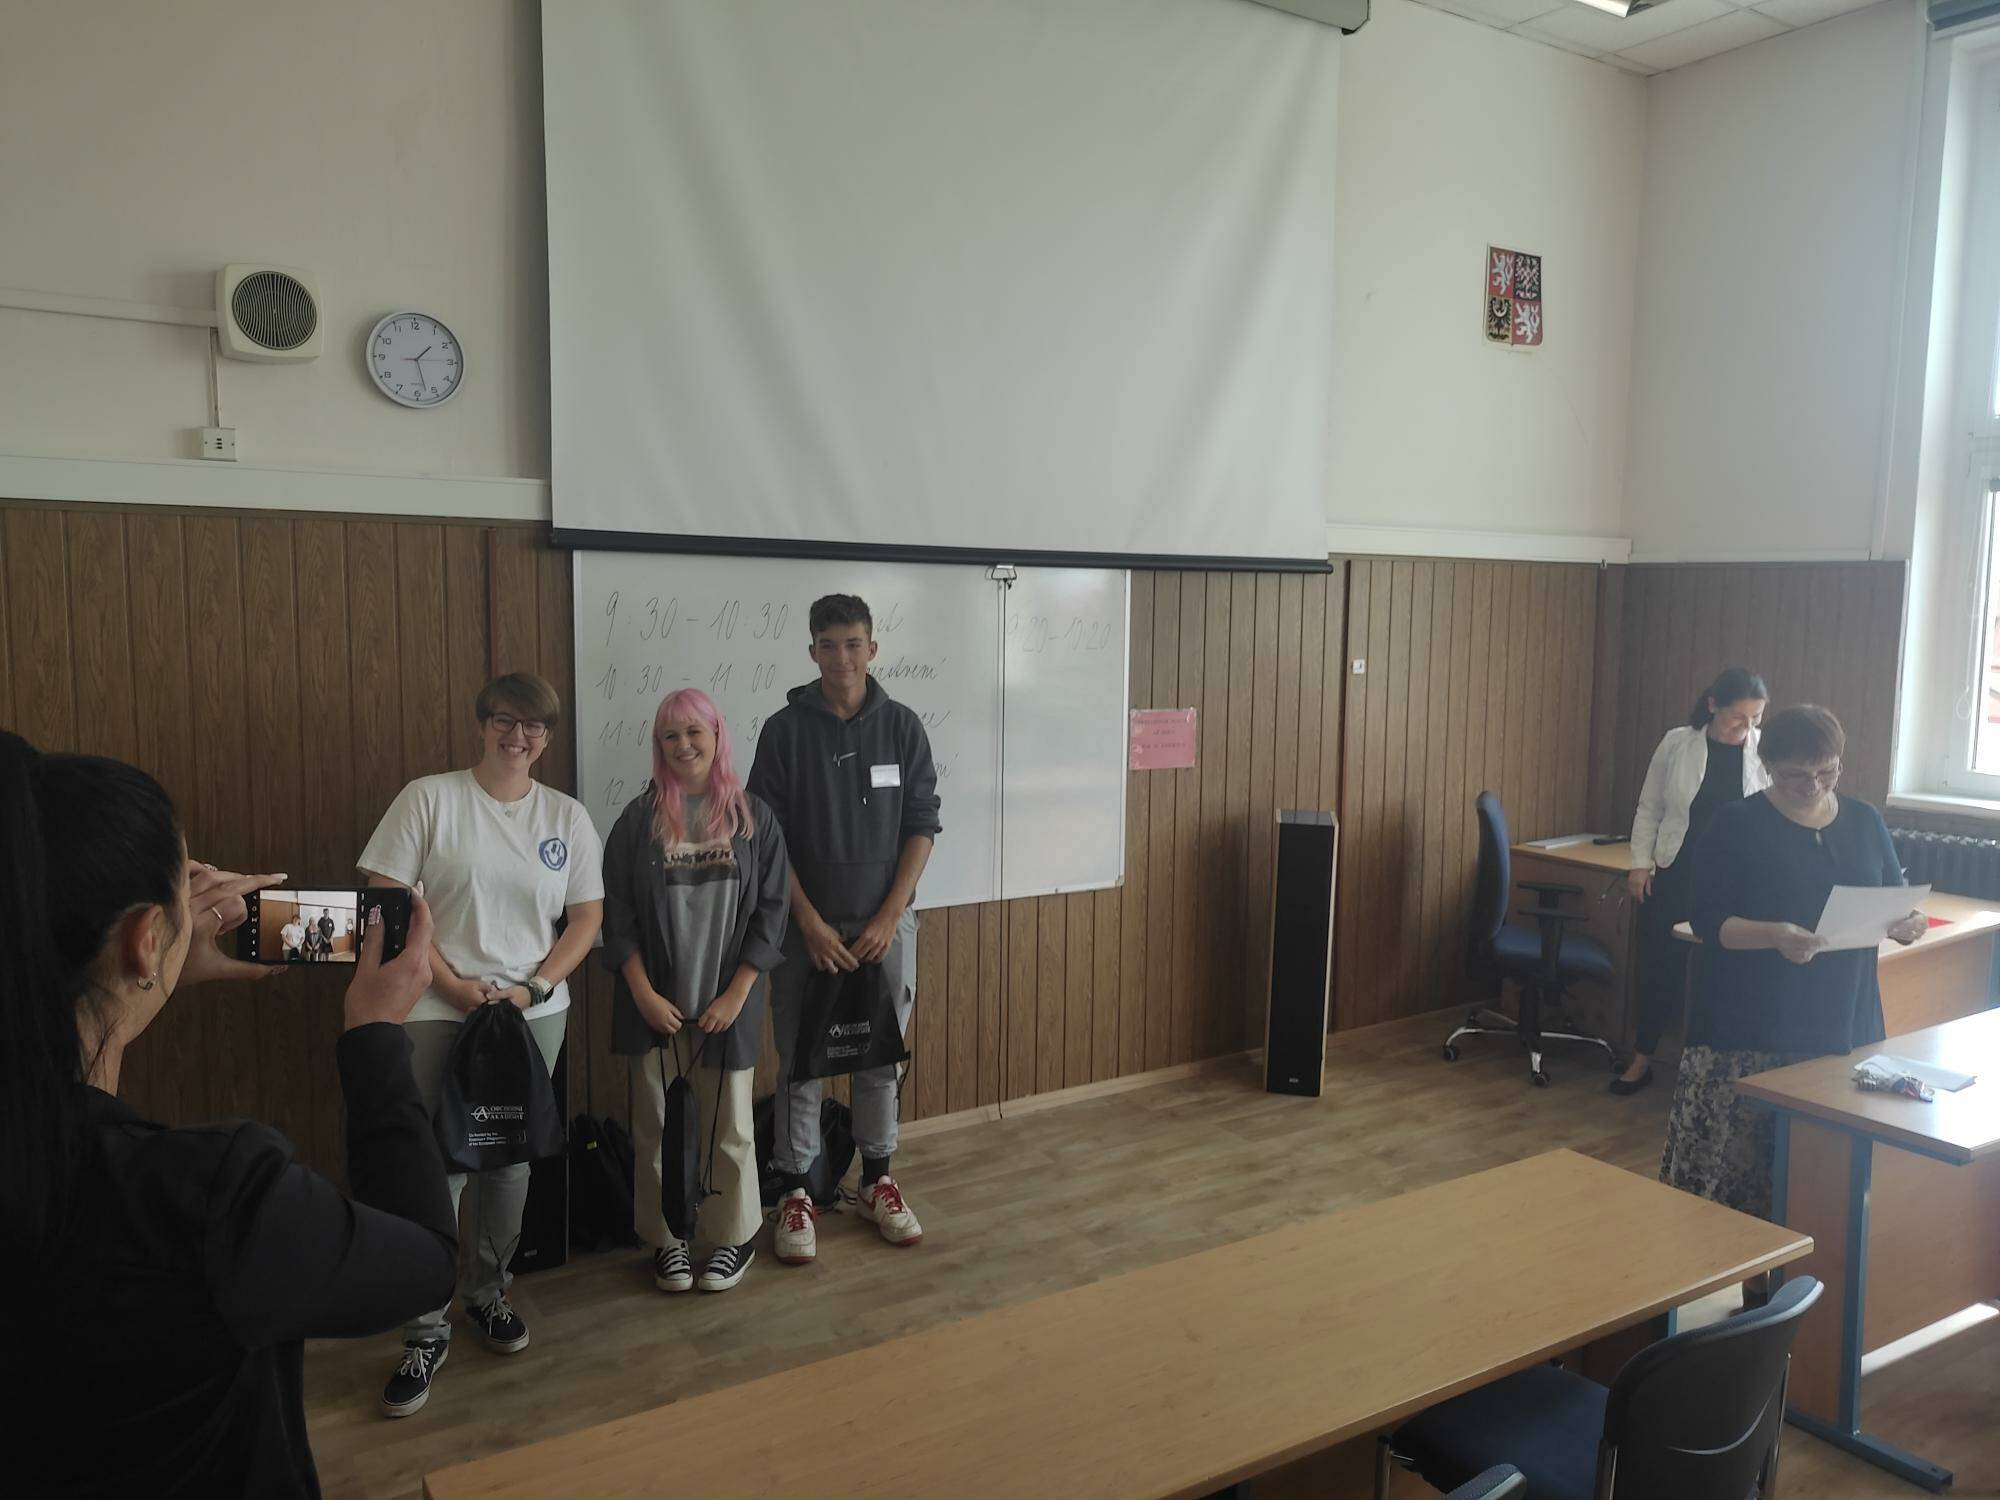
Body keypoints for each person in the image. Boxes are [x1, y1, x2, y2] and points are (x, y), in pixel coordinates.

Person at [2, 732, 454, 1498]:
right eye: (186, 888)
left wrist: (148, 969)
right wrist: (376, 1033)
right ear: (145, 939)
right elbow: (428, 1264)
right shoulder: (216, 1200)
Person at [358, 671, 605, 1418]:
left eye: (533, 727)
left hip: (530, 1015)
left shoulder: (565, 816)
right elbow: (383, 894)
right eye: (504, 720)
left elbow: (586, 919)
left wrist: (534, 988)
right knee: (438, 1168)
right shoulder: (429, 799)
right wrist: (454, 983)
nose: (516, 736)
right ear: (480, 724)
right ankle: (424, 1327)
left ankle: (488, 1294)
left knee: (507, 1160)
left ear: (547, 739)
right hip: (436, 1007)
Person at [1661, 706, 1924, 1265]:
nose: (1813, 786)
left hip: (1841, 1022)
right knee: (1740, 1181)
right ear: (1768, 766)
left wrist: (1909, 922)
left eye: (1827, 772)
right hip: (1751, 1027)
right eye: (1796, 775)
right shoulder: (1736, 824)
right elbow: (1707, 921)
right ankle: (1746, 1288)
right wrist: (1773, 935)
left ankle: (1810, 1289)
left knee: (1821, 1181)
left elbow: (1893, 895)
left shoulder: (1864, 819)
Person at [748, 593, 942, 1264]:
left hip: (885, 925)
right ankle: (796, 1191)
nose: (842, 657)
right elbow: (766, 837)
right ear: (812, 652)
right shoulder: (783, 731)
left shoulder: (902, 726)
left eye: (853, 644)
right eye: (828, 645)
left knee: (879, 1055)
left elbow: (922, 824)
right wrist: (805, 921)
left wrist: (890, 916)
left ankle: (877, 1179)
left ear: (872, 649)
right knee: (802, 1060)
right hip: (803, 929)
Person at [601, 689, 790, 1295]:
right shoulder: (638, 820)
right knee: (656, 1126)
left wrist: (737, 995)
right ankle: (668, 1241)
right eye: (670, 736)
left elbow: (772, 914)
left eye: (693, 733)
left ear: (717, 736)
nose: (683, 745)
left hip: (725, 1006)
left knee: (729, 1127)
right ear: (659, 746)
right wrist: (642, 995)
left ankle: (733, 1239)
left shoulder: (754, 818)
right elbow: (617, 918)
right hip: (655, 1006)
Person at [1614, 668, 1771, 1095]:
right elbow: (1650, 807)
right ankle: (1642, 1058)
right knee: (1660, 968)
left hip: (1736, 883)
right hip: (1677, 871)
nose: (1746, 727)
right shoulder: (1677, 743)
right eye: (1737, 717)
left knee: (1725, 975)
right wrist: (1639, 864)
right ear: (1713, 705)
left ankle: (1715, 1071)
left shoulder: (1763, 751)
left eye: (1755, 718)